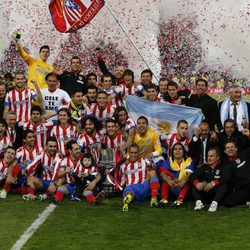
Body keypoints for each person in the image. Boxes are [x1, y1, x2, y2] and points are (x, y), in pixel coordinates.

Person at [120, 144, 159, 211]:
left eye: (135, 153)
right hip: (131, 187)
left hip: (143, 186)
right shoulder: (124, 166)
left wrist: (153, 166)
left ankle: (154, 199)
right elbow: (121, 182)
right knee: (129, 191)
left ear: (138, 153)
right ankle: (127, 200)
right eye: (131, 153)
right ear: (128, 153)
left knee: (152, 172)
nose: (133, 155)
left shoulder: (144, 161)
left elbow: (153, 169)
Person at [156, 143, 195, 208]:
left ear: (184, 151)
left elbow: (189, 174)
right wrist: (169, 181)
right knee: (166, 178)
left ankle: (179, 200)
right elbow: (162, 173)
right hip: (171, 186)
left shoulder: (189, 161)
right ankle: (164, 199)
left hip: (184, 188)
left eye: (180, 149)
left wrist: (182, 182)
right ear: (172, 152)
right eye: (175, 149)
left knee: (188, 180)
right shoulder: (169, 161)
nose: (177, 151)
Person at [191, 147, 228, 212]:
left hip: (217, 193)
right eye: (208, 156)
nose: (209, 158)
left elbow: (226, 177)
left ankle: (214, 204)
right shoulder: (204, 167)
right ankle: (199, 203)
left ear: (218, 157)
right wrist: (197, 183)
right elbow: (193, 176)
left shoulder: (223, 166)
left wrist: (213, 183)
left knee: (224, 185)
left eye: (211, 156)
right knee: (194, 185)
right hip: (205, 191)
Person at [223, 140, 250, 207]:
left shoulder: (245, 154)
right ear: (225, 151)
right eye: (228, 148)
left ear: (236, 149)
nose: (230, 149)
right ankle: (247, 199)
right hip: (241, 188)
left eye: (232, 147)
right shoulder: (225, 164)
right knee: (227, 202)